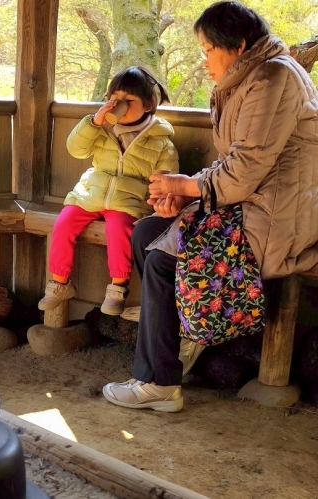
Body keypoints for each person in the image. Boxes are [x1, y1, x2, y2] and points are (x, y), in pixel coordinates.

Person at [103, 1, 318, 413]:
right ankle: (179, 345)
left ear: (236, 45)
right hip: (251, 206)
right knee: (148, 231)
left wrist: (185, 184)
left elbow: (243, 172)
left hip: (279, 220)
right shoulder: (252, 77)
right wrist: (185, 194)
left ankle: (157, 381)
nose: (203, 61)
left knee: (168, 260)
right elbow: (235, 166)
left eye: (206, 50)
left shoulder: (273, 78)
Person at [38, 66, 179, 316]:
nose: (118, 105)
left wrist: (161, 193)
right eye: (114, 99)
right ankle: (59, 282)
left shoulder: (160, 141)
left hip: (128, 199)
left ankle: (117, 287)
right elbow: (76, 149)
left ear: (148, 104)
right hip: (91, 193)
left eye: (128, 101)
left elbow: (167, 177)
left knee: (119, 229)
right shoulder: (100, 128)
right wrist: (94, 122)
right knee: (63, 223)